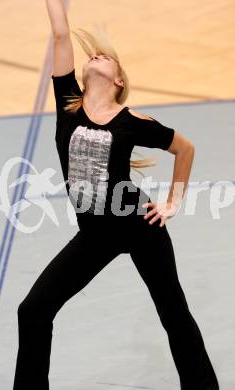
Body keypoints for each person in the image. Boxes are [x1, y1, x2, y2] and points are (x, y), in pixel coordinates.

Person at [12, 1, 220, 389]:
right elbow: (59, 31)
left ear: (118, 80)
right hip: (94, 236)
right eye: (94, 54)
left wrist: (173, 201)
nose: (96, 56)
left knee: (173, 312)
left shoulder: (132, 122)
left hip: (140, 226)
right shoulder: (67, 105)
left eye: (106, 57)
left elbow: (185, 149)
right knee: (34, 310)